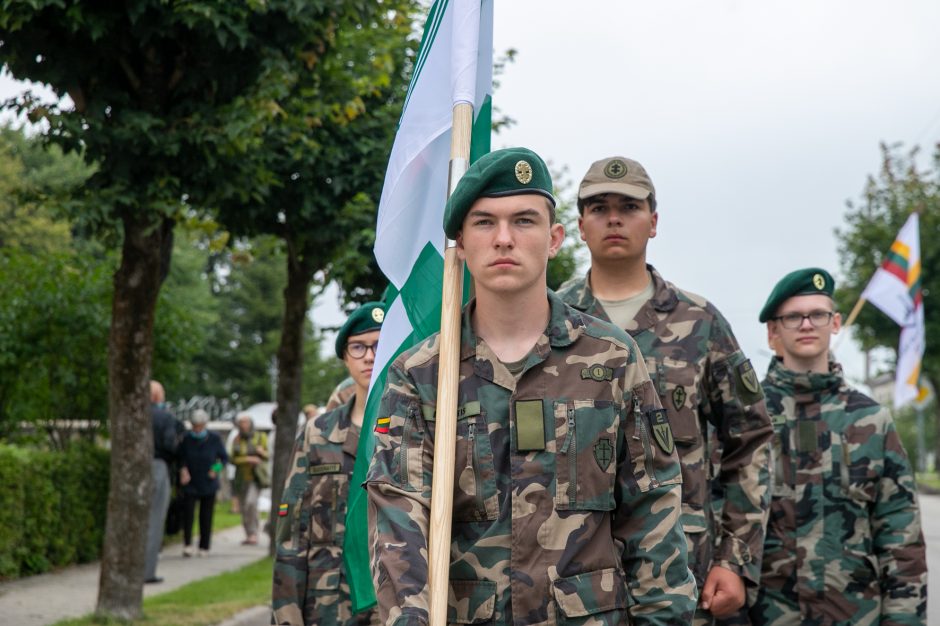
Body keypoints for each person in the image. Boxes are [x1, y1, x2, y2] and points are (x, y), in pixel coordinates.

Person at [366, 147, 696, 625]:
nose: (504, 239)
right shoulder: (421, 375)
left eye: (524, 221)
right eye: (484, 223)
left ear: (556, 238)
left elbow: (652, 515)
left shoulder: (612, 359)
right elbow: (400, 524)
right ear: (459, 241)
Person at [556, 156, 774, 623]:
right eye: (598, 208)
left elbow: (751, 442)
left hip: (682, 580)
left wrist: (733, 561)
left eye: (629, 207)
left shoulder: (700, 323)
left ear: (653, 222)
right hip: (569, 586)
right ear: (580, 226)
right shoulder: (550, 321)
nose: (614, 218)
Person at [749, 267, 927, 624]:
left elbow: (900, 536)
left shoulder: (872, 420)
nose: (806, 324)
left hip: (854, 614)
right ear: (773, 332)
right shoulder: (746, 418)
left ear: (835, 323)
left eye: (818, 314)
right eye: (793, 316)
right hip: (765, 615)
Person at [272, 301, 385, 625]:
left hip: (396, 607)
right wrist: (286, 616)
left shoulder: (415, 428)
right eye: (358, 347)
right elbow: (291, 535)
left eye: (379, 345)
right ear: (345, 358)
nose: (369, 355)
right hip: (328, 608)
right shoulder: (317, 435)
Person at [178, 409, 228, 557]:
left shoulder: (214, 438)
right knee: (188, 515)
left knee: (206, 516)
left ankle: (204, 546)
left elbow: (224, 458)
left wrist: (215, 469)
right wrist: (183, 469)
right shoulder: (186, 439)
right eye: (195, 426)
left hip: (208, 482)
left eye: (200, 425)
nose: (197, 429)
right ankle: (187, 544)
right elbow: (180, 458)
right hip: (191, 482)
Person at [145, 380, 179, 584]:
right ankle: (147, 571)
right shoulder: (165, 417)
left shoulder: (132, 414)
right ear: (157, 397)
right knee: (155, 519)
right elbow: (170, 445)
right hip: (157, 466)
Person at [231, 413, 269, 545]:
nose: (243, 425)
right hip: (241, 478)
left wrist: (260, 453)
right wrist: (247, 459)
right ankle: (248, 533)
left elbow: (268, 455)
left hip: (256, 477)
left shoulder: (260, 437)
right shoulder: (236, 439)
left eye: (246, 422)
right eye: (241, 422)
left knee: (251, 503)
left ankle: (253, 533)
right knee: (244, 506)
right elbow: (232, 458)